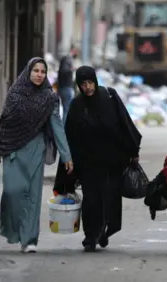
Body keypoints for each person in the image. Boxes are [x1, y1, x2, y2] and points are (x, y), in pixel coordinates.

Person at [0, 57, 73, 254]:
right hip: (13, 151)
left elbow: (57, 127)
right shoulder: (15, 94)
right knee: (12, 193)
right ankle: (14, 230)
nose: (39, 75)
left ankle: (29, 239)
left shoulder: (49, 98)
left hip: (35, 150)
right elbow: (4, 123)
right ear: (28, 72)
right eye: (36, 71)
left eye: (43, 71)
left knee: (33, 197)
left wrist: (66, 155)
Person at [55, 66, 142, 252]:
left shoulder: (109, 97)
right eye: (83, 84)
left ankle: (105, 231)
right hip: (88, 162)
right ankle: (91, 236)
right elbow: (70, 135)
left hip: (112, 160)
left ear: (95, 80)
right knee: (91, 199)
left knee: (110, 198)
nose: (87, 88)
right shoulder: (78, 105)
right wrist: (68, 161)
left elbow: (124, 123)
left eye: (90, 83)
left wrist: (133, 151)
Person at [57, 47, 77, 121]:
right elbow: (65, 70)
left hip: (63, 87)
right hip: (66, 88)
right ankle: (64, 128)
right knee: (66, 109)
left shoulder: (65, 59)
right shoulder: (68, 59)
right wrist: (72, 69)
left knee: (65, 109)